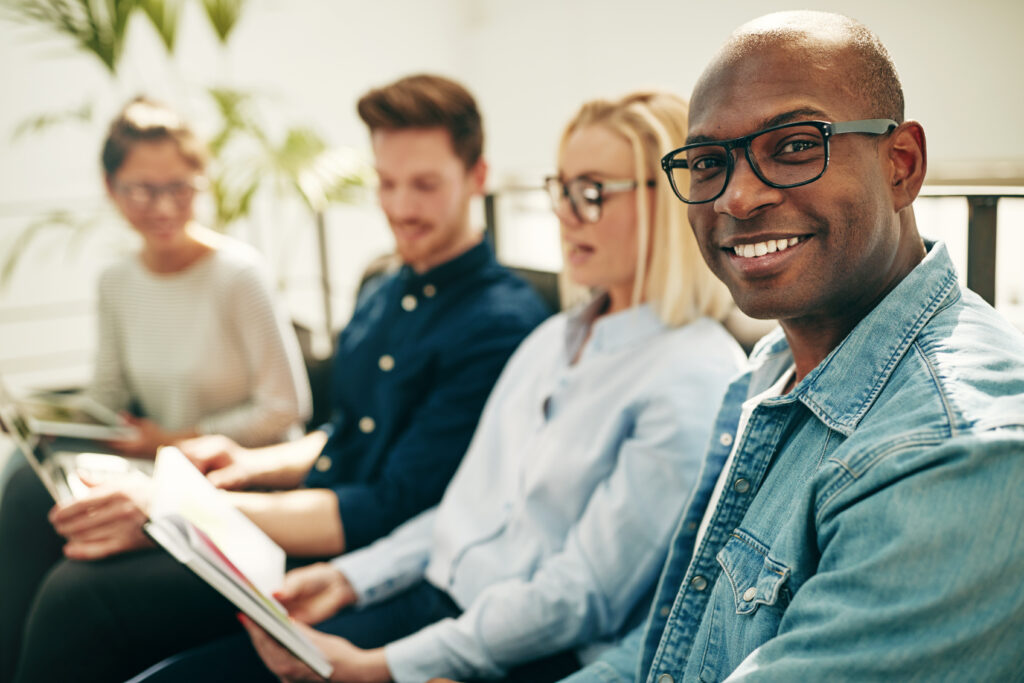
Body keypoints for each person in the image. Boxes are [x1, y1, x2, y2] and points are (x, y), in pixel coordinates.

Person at [129, 91, 745, 683]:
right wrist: (351, 577)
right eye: (561, 189)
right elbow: (462, 513)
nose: (563, 214)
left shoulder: (691, 377)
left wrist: (383, 667)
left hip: (508, 648)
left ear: (673, 196)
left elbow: (578, 598)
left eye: (591, 193)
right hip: (430, 601)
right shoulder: (554, 340)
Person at [0, 75, 550, 683]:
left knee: (79, 596)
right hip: (305, 509)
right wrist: (250, 461)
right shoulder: (385, 289)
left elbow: (396, 505)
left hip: (353, 550)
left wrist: (183, 507)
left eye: (424, 185)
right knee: (30, 493)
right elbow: (346, 433)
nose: (400, 207)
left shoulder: (500, 326)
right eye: (386, 183)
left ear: (477, 178)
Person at [562, 11, 1024, 683]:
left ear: (902, 164)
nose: (739, 197)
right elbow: (671, 648)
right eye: (710, 163)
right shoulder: (777, 366)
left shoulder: (950, 450)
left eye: (795, 146)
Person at [0, 97, 312, 488]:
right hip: (162, 469)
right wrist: (44, 422)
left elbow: (284, 410)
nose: (164, 209)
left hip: (239, 474)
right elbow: (107, 398)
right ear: (110, 188)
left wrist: (171, 441)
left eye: (180, 188)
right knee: (24, 477)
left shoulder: (239, 275)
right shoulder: (116, 282)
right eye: (143, 190)